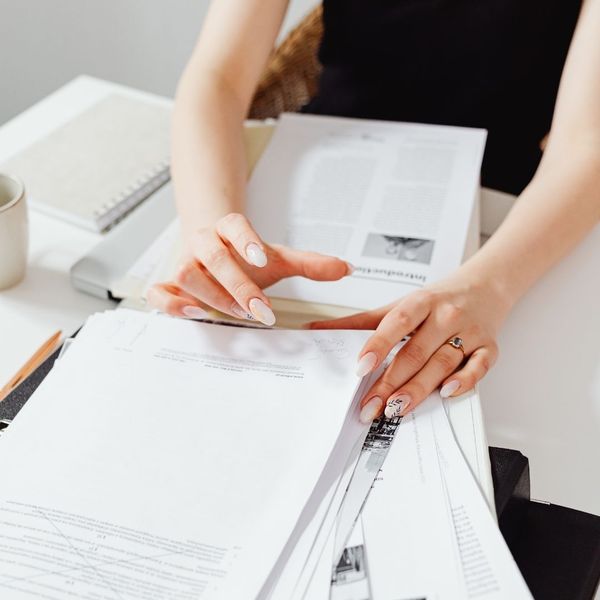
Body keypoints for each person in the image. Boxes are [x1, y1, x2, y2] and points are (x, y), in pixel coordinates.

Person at [148, 0, 600, 424]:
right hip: (319, 175)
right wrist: (214, 234)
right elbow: (217, 77)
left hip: (504, 214)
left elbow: (586, 141)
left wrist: (490, 288)